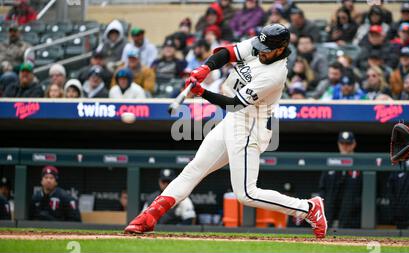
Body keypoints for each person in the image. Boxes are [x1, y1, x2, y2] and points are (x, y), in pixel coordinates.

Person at [124, 24, 327, 238]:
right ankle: (148, 217)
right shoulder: (262, 45)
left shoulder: (274, 74)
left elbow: (234, 104)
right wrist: (205, 68)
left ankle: (308, 209)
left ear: (279, 50)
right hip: (235, 120)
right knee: (194, 169)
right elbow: (227, 53)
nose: (260, 51)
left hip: (251, 124)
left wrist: (202, 91)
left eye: (266, 50)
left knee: (246, 194)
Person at [319, 131, 362, 229]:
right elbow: (322, 188)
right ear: (338, 144)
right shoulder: (330, 163)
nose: (345, 146)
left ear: (354, 144)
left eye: (348, 143)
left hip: (352, 216)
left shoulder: (360, 163)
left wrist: (356, 204)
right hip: (329, 214)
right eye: (342, 143)